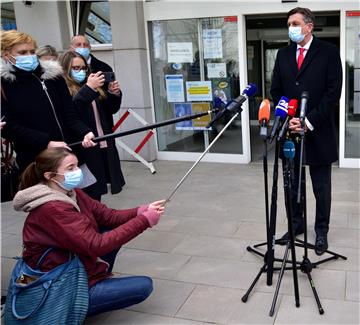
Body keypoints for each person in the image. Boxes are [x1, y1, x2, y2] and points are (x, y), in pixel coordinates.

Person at [13, 147, 166, 317]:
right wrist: (144, 221)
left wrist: (140, 211)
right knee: (143, 286)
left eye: (77, 166)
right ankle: (71, 306)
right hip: (54, 282)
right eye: (70, 168)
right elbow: (96, 246)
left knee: (110, 231)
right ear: (50, 176)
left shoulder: (70, 192)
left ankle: (95, 280)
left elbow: (108, 216)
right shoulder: (53, 208)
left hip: (67, 265)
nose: (77, 171)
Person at [270, 7, 342, 255]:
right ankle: (296, 226)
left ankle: (321, 231)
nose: (291, 27)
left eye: (295, 23)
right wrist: (289, 118)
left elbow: (333, 93)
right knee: (292, 184)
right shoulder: (282, 54)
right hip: (290, 131)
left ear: (309, 26)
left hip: (318, 130)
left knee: (321, 187)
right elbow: (275, 90)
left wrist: (308, 121)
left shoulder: (329, 53)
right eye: (289, 23)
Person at [0, 30, 95, 173]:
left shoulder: (54, 76)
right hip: (36, 160)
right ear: (6, 54)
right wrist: (46, 142)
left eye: (32, 51)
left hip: (70, 154)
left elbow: (69, 113)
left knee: (86, 194)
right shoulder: (4, 84)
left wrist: (85, 131)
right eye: (23, 52)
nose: (30, 56)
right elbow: (8, 127)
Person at [59, 50, 125, 201]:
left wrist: (113, 94)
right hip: (82, 148)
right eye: (76, 68)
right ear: (65, 69)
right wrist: (89, 88)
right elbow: (71, 114)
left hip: (101, 143)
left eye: (83, 68)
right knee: (87, 192)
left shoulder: (91, 87)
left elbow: (110, 110)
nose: (81, 71)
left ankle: (94, 219)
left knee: (98, 189)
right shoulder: (64, 89)